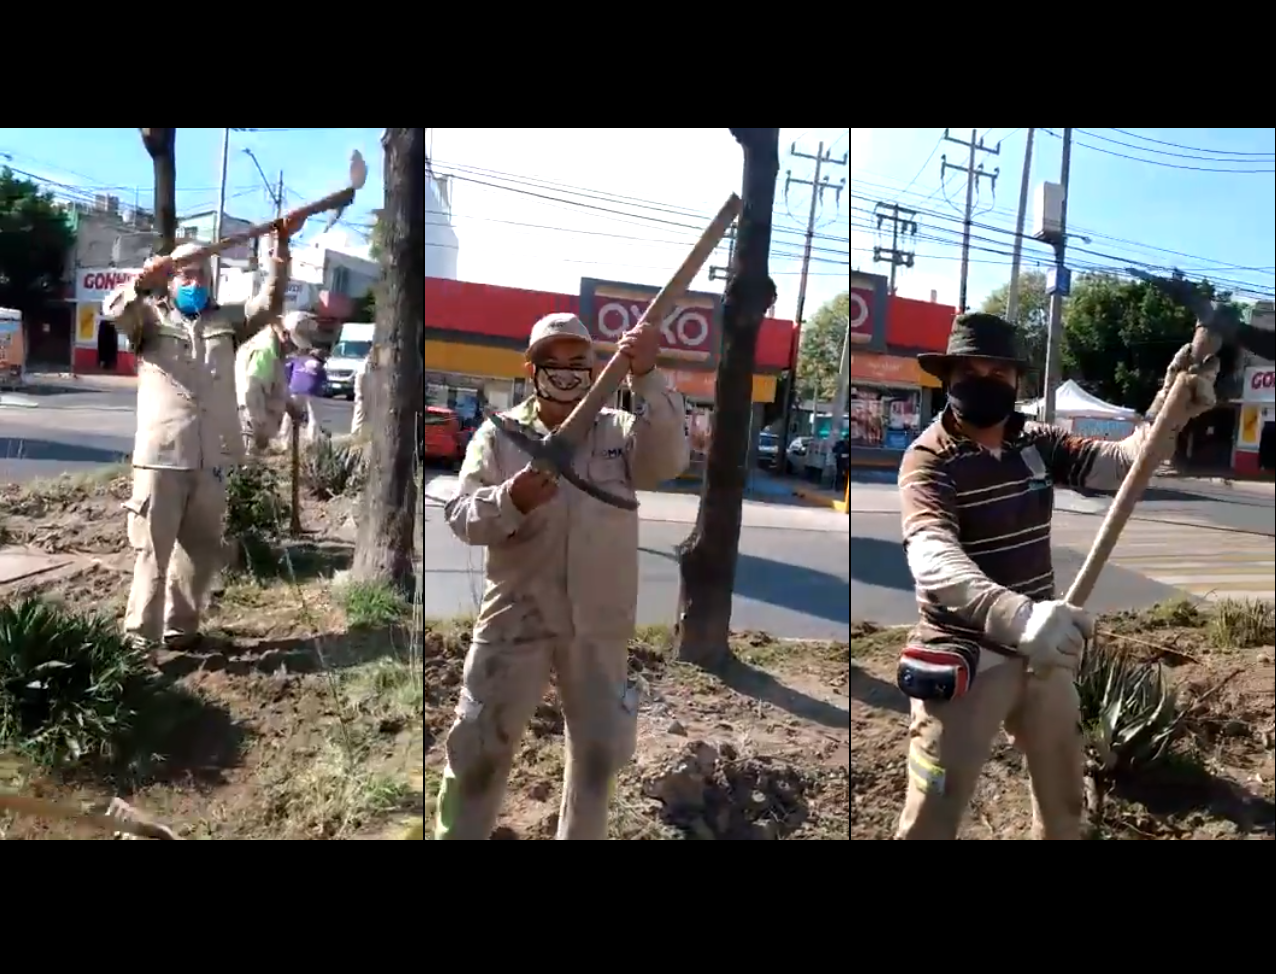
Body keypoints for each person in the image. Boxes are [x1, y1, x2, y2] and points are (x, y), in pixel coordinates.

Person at [894, 312, 1219, 840]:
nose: (986, 382)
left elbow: (1121, 466)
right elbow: (933, 559)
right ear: (948, 377)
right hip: (966, 658)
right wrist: (1019, 617)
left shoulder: (1036, 442)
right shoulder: (929, 461)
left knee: (1065, 804)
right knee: (932, 815)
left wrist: (1170, 412)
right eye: (972, 372)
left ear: (1017, 381)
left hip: (1043, 657)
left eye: (999, 373)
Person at [434, 312, 690, 840]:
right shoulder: (500, 436)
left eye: (581, 362)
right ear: (531, 369)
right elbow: (461, 516)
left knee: (596, 762)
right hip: (514, 621)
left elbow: (667, 462)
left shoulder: (620, 434)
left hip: (599, 628)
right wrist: (511, 501)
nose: (569, 372)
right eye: (555, 362)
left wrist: (647, 376)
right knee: (478, 750)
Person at [101, 220, 299, 653]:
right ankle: (139, 642)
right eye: (186, 274)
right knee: (153, 552)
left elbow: (269, 303)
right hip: (161, 459)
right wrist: (139, 284)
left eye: (202, 275)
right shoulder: (148, 321)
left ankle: (181, 630)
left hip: (211, 457)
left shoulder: (225, 321)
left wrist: (281, 247)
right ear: (171, 279)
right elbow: (113, 312)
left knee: (200, 552)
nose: (195, 281)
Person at [236, 310, 315, 455]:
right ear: (285, 335)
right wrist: (258, 429)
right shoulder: (265, 352)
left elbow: (277, 387)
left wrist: (291, 407)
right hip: (251, 427)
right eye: (293, 345)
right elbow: (252, 392)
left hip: (258, 424)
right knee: (249, 467)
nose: (294, 349)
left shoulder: (275, 351)